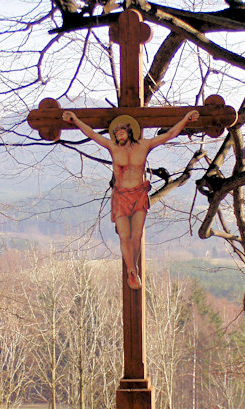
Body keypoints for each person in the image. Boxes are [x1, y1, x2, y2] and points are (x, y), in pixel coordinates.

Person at [62, 109, 199, 289]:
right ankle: (131, 271)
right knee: (124, 235)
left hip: (138, 194)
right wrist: (76, 120)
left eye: (122, 132)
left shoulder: (144, 145)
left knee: (137, 234)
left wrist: (185, 119)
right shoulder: (112, 147)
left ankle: (133, 269)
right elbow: (92, 134)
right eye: (116, 134)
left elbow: (170, 134)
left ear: (129, 132)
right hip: (120, 196)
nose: (119, 136)